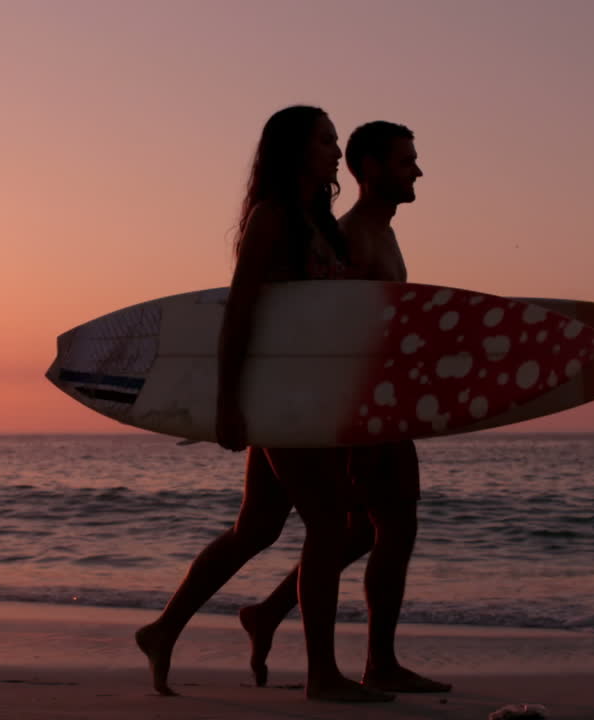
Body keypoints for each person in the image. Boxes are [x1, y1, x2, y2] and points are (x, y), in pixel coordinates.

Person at [134, 106, 393, 702]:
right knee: (332, 524)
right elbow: (239, 316)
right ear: (295, 149)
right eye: (326, 139)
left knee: (257, 527)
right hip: (280, 400)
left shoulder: (319, 222)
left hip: (310, 396)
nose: (335, 150)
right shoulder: (272, 218)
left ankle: (163, 629)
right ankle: (323, 675)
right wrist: (228, 405)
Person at [239, 121, 451, 694]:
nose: (418, 171)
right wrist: (352, 429)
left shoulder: (381, 232)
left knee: (373, 529)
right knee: (367, 527)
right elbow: (334, 336)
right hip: (360, 408)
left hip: (381, 406)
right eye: (407, 160)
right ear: (372, 169)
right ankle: (363, 662)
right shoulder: (354, 236)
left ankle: (280, 619)